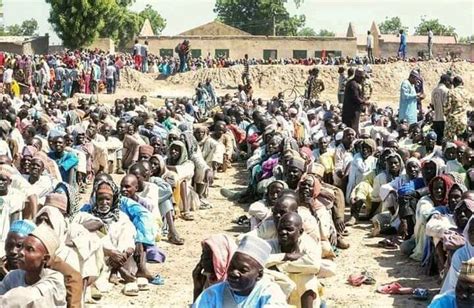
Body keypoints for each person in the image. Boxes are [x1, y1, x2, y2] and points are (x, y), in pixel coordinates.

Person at [193, 235, 287, 307]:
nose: (234, 273)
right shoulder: (213, 293)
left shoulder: (270, 293)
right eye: (232, 267)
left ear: (259, 275)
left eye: (243, 270)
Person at [0, 224, 67, 307]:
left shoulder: (55, 281)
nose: (21, 252)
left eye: (30, 249)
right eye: (22, 247)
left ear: (45, 258)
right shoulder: (12, 277)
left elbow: (28, 297)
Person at [342, 69, 366, 134]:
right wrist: (364, 102)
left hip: (352, 111)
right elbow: (356, 98)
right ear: (357, 76)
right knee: (352, 129)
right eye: (362, 78)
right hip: (351, 112)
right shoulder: (353, 84)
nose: (363, 80)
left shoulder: (353, 83)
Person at [431, 74, 451, 145]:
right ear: (446, 81)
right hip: (444, 119)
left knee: (437, 140)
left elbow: (432, 105)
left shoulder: (434, 90)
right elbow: (447, 106)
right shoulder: (446, 91)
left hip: (436, 119)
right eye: (449, 82)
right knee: (443, 141)